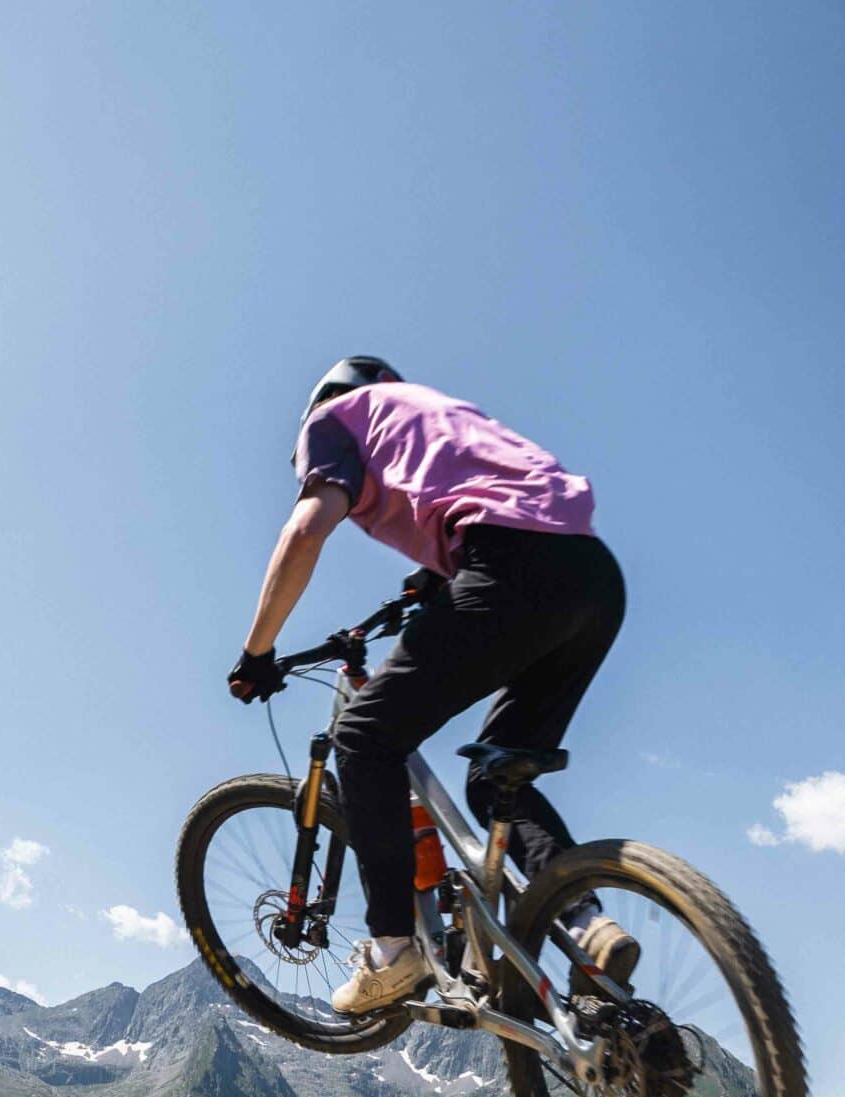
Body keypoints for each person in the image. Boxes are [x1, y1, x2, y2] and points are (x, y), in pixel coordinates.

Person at [229, 356, 636, 1016]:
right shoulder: (441, 415)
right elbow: (502, 504)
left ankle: (393, 952)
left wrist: (257, 652)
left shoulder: (335, 420)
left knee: (362, 739)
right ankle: (588, 925)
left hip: (509, 566)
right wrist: (437, 576)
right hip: (593, 576)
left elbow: (307, 526)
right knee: (497, 776)